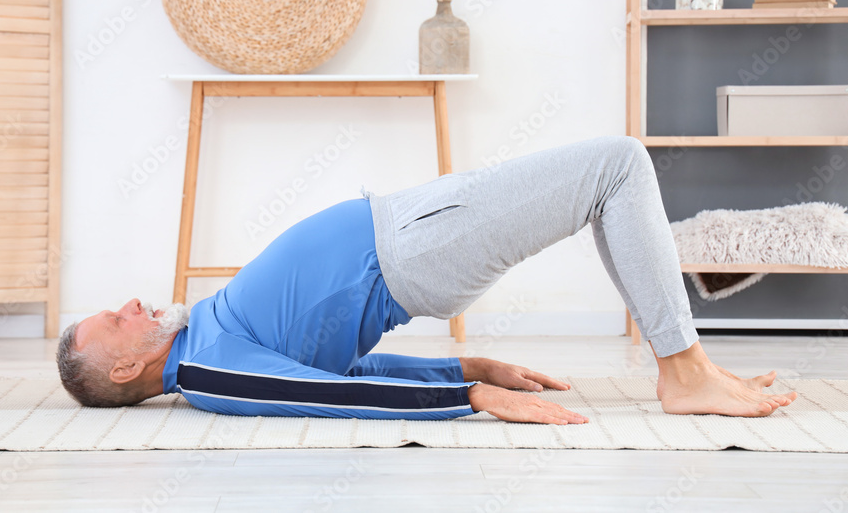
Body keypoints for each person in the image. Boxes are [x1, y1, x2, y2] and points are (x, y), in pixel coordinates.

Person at [57, 136, 797, 424]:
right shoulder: (213, 371)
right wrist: (466, 396)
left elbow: (339, 363)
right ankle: (684, 370)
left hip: (409, 227)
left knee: (607, 181)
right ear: (125, 365)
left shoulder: (211, 341)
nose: (128, 304)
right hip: (409, 253)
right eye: (112, 319)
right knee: (618, 166)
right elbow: (328, 395)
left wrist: (465, 363)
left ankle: (689, 363)